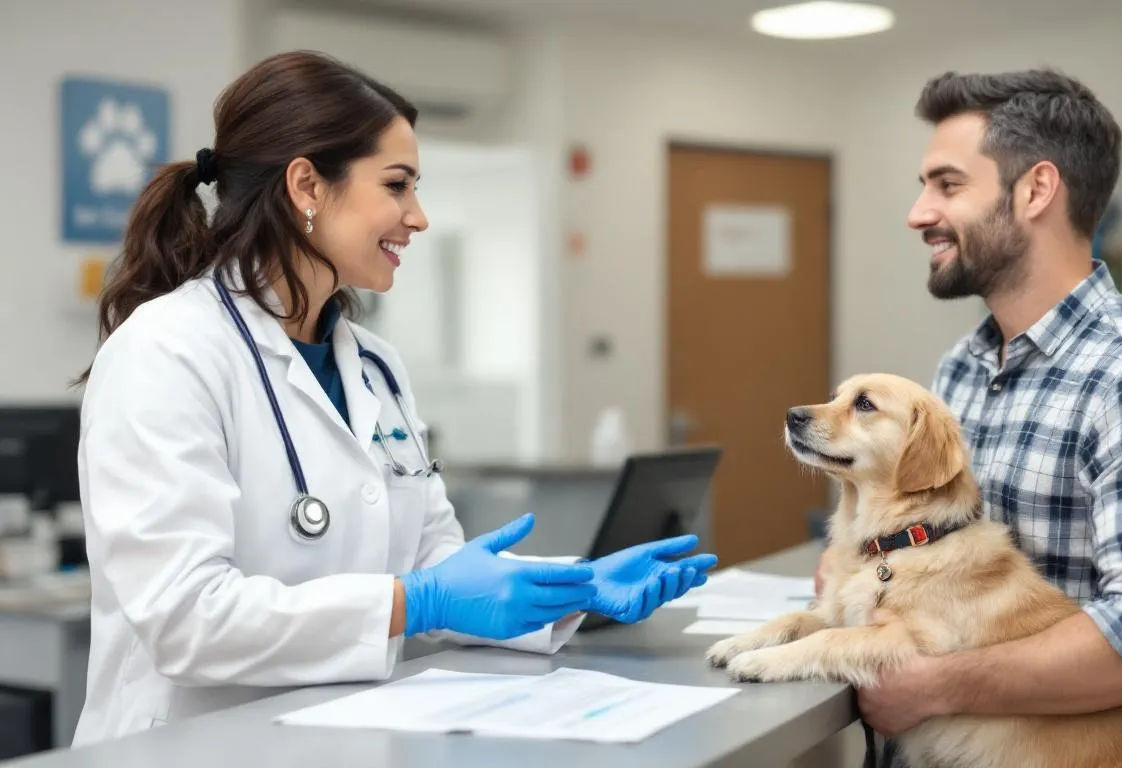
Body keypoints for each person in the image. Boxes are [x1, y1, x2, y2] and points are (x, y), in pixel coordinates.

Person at [70, 50, 717, 746]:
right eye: (398, 185)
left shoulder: (373, 366)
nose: (419, 217)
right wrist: (415, 600)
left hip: (342, 737)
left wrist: (573, 588)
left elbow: (438, 564)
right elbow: (185, 619)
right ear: (307, 186)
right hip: (189, 746)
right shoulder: (166, 351)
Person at [846, 69, 1122, 765]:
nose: (918, 212)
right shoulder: (959, 370)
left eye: (947, 184)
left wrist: (937, 687)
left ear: (1035, 190)